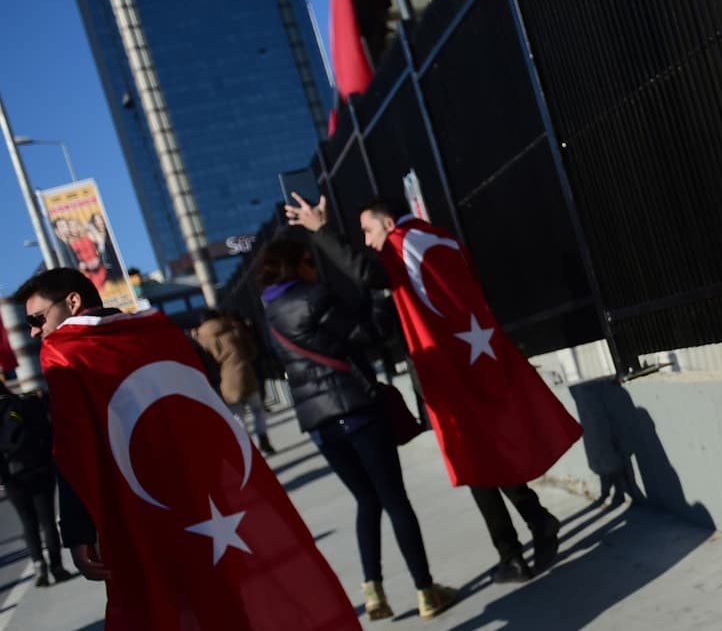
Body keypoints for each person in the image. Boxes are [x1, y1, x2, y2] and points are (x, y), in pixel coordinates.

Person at [15, 267, 360, 630]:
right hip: (205, 505)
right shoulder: (159, 332)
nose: (36, 331)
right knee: (224, 596)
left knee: (167, 609)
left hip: (140, 511)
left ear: (72, 302)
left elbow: (73, 448)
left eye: (37, 319)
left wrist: (78, 532)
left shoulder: (65, 352)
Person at [285, 194, 580, 583]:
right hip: (478, 353)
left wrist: (320, 231)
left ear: (388, 224)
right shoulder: (438, 237)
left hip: (449, 368)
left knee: (470, 459)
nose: (369, 243)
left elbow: (367, 275)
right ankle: (531, 525)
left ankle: (517, 547)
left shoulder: (401, 245)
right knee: (481, 453)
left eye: (369, 232)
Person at [257, 238, 457, 620]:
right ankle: (426, 591)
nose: (313, 265)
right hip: (357, 410)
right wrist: (379, 297)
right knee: (394, 500)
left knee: (366, 500)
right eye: (307, 258)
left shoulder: (271, 314)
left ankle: (373, 592)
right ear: (294, 263)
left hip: (320, 424)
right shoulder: (315, 297)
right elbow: (367, 335)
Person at [0, 388, 73, 587]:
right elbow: (47, 430)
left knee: (28, 522)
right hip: (40, 469)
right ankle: (57, 567)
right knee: (48, 520)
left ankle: (38, 563)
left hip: (12, 476)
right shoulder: (24, 403)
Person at [191, 309, 274, 455]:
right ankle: (264, 439)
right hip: (247, 373)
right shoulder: (234, 328)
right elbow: (252, 351)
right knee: (257, 410)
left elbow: (205, 360)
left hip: (226, 379)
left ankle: (248, 449)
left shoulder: (202, 337)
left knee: (237, 416)